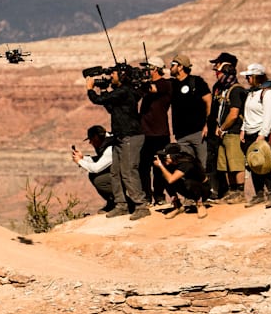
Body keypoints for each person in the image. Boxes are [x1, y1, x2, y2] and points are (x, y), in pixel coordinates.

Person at [86, 67, 151, 219]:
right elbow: (110, 107)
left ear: (122, 76)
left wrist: (90, 89)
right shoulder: (122, 93)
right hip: (120, 137)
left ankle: (141, 206)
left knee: (128, 171)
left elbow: (98, 100)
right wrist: (103, 90)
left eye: (113, 74)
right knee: (116, 172)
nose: (110, 76)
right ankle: (121, 204)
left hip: (130, 136)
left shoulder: (125, 91)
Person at [238, 62, 271, 208]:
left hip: (260, 133)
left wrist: (262, 135)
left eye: (249, 77)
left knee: (263, 163)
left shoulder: (267, 94)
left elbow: (268, 116)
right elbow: (247, 113)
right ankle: (259, 194)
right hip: (249, 132)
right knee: (252, 163)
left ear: (257, 77)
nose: (247, 79)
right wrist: (243, 129)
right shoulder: (251, 93)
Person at [208, 52, 248, 202]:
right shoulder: (223, 89)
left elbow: (234, 114)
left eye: (218, 72)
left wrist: (223, 127)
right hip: (223, 133)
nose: (216, 75)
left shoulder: (236, 90)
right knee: (226, 164)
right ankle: (232, 192)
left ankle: (240, 193)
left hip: (232, 131)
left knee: (235, 162)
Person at [167, 53, 211, 180]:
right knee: (185, 166)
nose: (170, 68)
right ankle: (193, 194)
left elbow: (209, 101)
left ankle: (207, 193)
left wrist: (207, 124)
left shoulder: (196, 82)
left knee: (203, 165)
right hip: (181, 135)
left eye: (173, 65)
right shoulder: (172, 85)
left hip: (199, 132)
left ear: (180, 67)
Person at [137, 57, 173, 205]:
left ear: (156, 69)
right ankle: (146, 195)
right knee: (143, 167)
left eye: (149, 68)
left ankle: (159, 195)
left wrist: (142, 82)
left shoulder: (165, 84)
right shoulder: (145, 86)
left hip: (159, 134)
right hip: (145, 133)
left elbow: (153, 89)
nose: (146, 71)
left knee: (159, 167)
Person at [151, 143, 212, 216]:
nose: (164, 159)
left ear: (173, 156)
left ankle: (200, 205)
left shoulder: (186, 163)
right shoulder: (173, 162)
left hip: (203, 190)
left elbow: (171, 179)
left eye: (165, 157)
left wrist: (160, 165)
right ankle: (178, 206)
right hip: (188, 188)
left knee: (188, 182)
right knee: (165, 176)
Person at [70, 124, 117, 212]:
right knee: (93, 175)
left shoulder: (110, 147)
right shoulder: (106, 142)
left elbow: (96, 168)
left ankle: (121, 201)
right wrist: (83, 158)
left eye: (91, 140)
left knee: (99, 180)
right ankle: (112, 202)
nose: (90, 143)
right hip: (117, 171)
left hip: (125, 175)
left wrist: (79, 161)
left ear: (96, 138)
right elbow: (101, 159)